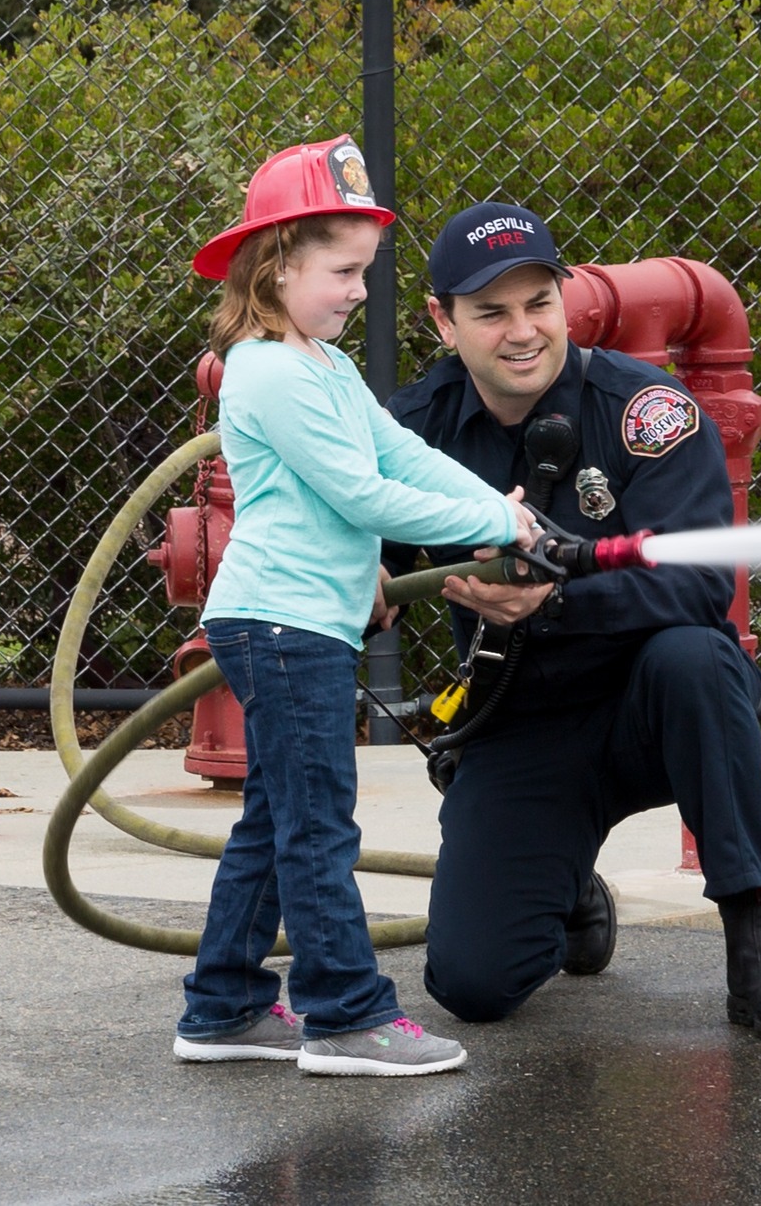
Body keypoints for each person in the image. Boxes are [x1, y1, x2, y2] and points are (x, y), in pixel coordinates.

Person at [383, 201, 761, 1042]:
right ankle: (568, 883)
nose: (522, 333)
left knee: (700, 658)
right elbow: (365, 552)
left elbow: (699, 583)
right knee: (473, 984)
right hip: (519, 722)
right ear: (443, 323)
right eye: (490, 313)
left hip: (652, 709)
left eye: (539, 303)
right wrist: (362, 578)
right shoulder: (414, 430)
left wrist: (554, 598)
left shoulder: (646, 412)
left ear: (564, 299)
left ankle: (754, 937)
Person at [171, 139, 536, 1077]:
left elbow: (402, 458)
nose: (358, 291)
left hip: (309, 620)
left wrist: (503, 503)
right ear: (278, 261)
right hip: (282, 625)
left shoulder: (324, 367)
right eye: (342, 271)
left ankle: (223, 1006)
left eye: (365, 273)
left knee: (275, 815)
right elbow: (362, 495)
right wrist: (494, 517)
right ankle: (344, 1014)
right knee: (318, 822)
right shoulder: (269, 371)